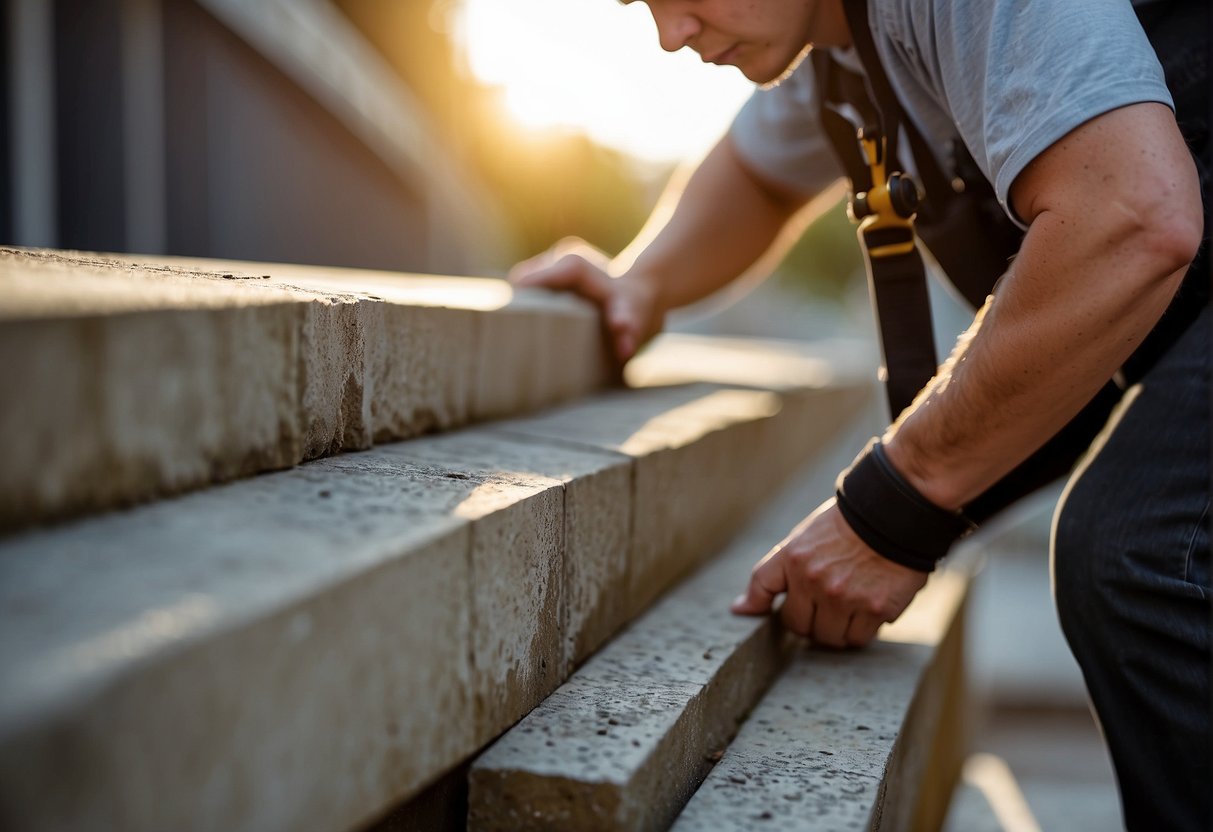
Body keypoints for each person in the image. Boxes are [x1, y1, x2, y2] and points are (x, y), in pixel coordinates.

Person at [509, 1, 1210, 828]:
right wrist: (643, 283)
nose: (670, 33)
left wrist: (896, 502)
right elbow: (759, 169)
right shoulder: (840, 42)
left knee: (1146, 550)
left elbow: (1128, 217)